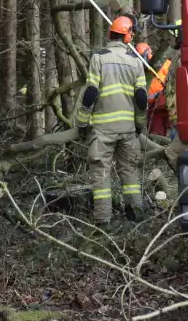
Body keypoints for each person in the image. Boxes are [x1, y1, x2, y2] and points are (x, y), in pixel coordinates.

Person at [77, 16, 149, 227]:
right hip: (127, 129)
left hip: (102, 129)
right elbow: (142, 99)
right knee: (129, 171)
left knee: (101, 174)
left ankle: (103, 222)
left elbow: (91, 92)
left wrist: (82, 122)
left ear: (110, 34)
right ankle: (136, 215)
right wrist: (139, 125)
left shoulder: (99, 58)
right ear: (128, 36)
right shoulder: (136, 61)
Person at [135, 43, 174, 137]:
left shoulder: (165, 64)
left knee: (159, 134)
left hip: (163, 104)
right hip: (154, 108)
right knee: (156, 134)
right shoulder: (141, 70)